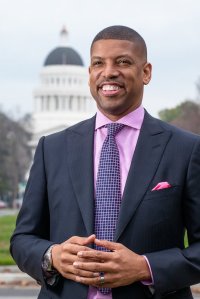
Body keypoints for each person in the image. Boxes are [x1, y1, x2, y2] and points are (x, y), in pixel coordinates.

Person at [10, 25, 200, 299]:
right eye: (99, 63)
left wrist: (145, 267)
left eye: (123, 62)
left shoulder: (186, 149)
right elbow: (22, 240)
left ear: (146, 72)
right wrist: (53, 256)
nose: (109, 71)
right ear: (89, 75)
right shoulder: (51, 149)